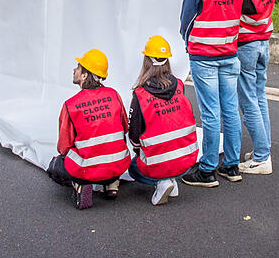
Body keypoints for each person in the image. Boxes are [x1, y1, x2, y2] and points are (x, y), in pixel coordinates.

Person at [180, 0, 244, 187]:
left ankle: (207, 170)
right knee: (230, 111)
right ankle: (231, 165)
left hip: (204, 59)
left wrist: (190, 45)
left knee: (210, 114)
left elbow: (185, 22)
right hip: (229, 56)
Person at [46, 49, 130, 210]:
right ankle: (111, 183)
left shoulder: (70, 105)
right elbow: (125, 127)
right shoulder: (114, 95)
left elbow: (63, 147)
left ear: (85, 75)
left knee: (56, 166)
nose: (74, 70)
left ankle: (81, 184)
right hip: (119, 163)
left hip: (87, 169)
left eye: (78, 67)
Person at [127, 35, 199, 206]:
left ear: (146, 62)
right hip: (186, 159)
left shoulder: (140, 94)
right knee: (168, 162)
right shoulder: (180, 86)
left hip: (157, 162)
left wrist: (141, 154)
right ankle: (171, 179)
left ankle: (161, 182)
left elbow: (134, 137)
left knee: (133, 169)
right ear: (167, 61)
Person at [235, 0, 276, 174]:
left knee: (248, 101)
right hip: (264, 46)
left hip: (247, 48)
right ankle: (264, 149)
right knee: (260, 97)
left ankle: (261, 158)